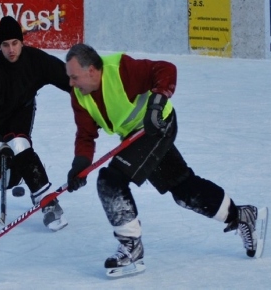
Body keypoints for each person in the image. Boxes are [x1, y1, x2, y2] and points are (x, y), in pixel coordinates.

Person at [65, 43, 259, 273]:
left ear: (92, 71)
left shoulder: (120, 69)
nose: (71, 83)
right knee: (183, 190)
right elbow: (86, 135)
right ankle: (241, 215)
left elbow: (165, 69)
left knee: (111, 181)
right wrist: (81, 164)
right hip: (135, 137)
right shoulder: (80, 96)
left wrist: (156, 105)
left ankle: (131, 248)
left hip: (158, 126)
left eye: (74, 77)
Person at [0, 16, 71, 231]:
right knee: (3, 181)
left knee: (19, 144)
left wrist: (93, 96)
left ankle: (48, 203)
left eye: (15, 43)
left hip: (22, 115)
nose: (11, 49)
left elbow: (69, 79)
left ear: (22, 42)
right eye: (5, 45)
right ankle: (19, 172)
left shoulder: (36, 60)